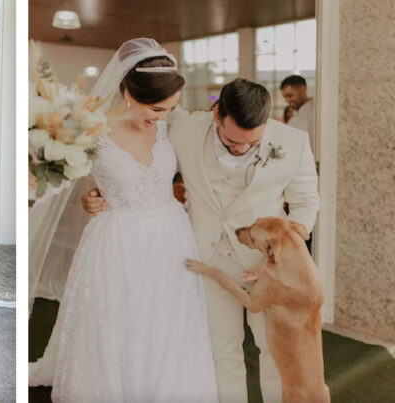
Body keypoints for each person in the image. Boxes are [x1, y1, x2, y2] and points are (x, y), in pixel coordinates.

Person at [75, 76, 320, 403]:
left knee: (275, 352)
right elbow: (141, 162)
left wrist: (281, 259)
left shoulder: (294, 141)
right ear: (217, 114)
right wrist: (101, 193)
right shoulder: (184, 129)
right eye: (233, 141)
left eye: (252, 142)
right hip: (205, 259)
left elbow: (305, 205)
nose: (242, 148)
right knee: (221, 351)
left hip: (267, 267)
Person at [28, 38, 217, 402]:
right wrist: (93, 196)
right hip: (118, 241)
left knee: (167, 320)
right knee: (119, 322)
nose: (161, 117)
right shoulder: (90, 131)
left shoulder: (166, 125)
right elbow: (58, 183)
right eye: (156, 108)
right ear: (129, 91)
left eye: (169, 109)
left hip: (170, 236)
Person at [280, 75, 315, 159]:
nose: (287, 100)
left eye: (290, 95)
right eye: (285, 97)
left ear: (303, 90)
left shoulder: (315, 112)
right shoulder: (293, 115)